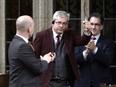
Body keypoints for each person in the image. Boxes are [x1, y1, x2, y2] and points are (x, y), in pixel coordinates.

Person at [33, 10, 92, 87]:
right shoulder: (42, 35)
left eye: (64, 23)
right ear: (53, 22)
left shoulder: (70, 33)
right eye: (59, 22)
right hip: (47, 81)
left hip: (65, 82)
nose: (61, 26)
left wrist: (87, 30)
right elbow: (34, 57)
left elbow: (82, 41)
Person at [8, 15, 56, 87]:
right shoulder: (22, 46)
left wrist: (41, 60)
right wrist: (46, 60)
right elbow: (38, 68)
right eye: (33, 26)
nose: (33, 29)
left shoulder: (14, 42)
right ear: (29, 29)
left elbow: (27, 64)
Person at [74, 13, 115, 87]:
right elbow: (74, 60)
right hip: (83, 83)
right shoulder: (80, 40)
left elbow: (108, 60)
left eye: (97, 24)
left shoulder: (109, 42)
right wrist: (86, 52)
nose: (93, 27)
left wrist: (95, 49)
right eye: (91, 24)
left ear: (101, 27)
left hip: (101, 82)